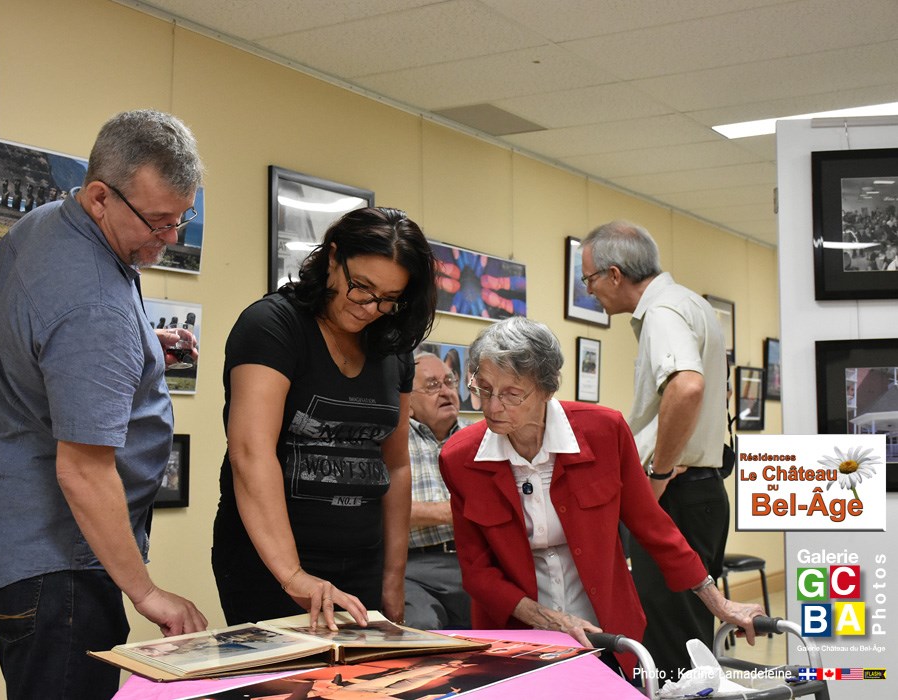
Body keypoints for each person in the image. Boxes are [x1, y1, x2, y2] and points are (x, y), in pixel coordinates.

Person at [0, 109, 208, 700]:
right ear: (100, 196)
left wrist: (147, 343)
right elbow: (83, 468)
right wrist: (146, 592)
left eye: (183, 219)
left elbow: (46, 339)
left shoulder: (47, 224)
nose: (170, 239)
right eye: (157, 221)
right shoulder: (94, 309)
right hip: (63, 568)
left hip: (20, 544)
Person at [438, 317, 763, 678]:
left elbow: (653, 527)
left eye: (511, 394)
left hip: (607, 630)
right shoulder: (460, 458)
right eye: (482, 388)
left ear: (547, 389)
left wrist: (719, 603)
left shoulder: (604, 431)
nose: (492, 407)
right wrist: (549, 620)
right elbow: (476, 571)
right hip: (515, 635)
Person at [212, 207, 437, 631]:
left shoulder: (393, 346)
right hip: (271, 564)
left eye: (388, 299)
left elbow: (396, 464)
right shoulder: (272, 326)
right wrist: (293, 575)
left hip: (364, 562)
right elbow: (250, 452)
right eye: (361, 288)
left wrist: (392, 576)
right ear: (333, 258)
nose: (371, 308)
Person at [580, 220, 731, 681]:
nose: (589, 292)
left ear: (614, 274)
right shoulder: (689, 303)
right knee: (686, 633)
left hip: (679, 492)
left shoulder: (663, 312)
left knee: (672, 649)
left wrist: (659, 474)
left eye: (588, 279)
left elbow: (686, 388)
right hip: (699, 492)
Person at [403, 352, 471, 630]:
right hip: (413, 566)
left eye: (449, 382)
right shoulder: (392, 443)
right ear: (406, 402)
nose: (445, 391)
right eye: (432, 385)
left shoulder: (480, 439)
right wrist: (451, 512)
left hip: (471, 561)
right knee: (423, 627)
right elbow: (385, 511)